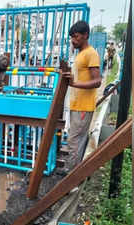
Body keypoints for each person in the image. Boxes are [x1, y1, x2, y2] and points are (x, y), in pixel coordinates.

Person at [60, 21, 102, 174]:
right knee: (77, 139)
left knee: (74, 141)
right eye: (72, 37)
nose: (73, 40)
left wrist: (74, 84)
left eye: (76, 37)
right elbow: (80, 77)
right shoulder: (81, 54)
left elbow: (97, 81)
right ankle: (73, 172)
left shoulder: (91, 53)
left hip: (83, 106)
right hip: (77, 104)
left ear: (86, 35)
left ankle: (71, 175)